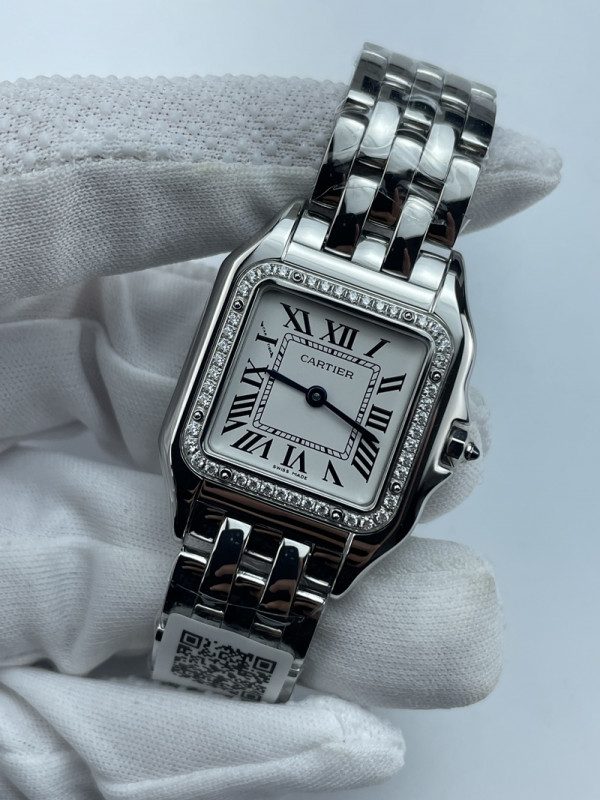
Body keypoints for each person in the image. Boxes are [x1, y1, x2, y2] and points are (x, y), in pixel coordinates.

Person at [0, 71, 561, 799]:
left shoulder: (430, 326)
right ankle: (197, 684)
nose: (317, 394)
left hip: (303, 528)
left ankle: (205, 686)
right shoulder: (269, 270)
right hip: (227, 492)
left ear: (441, 449)